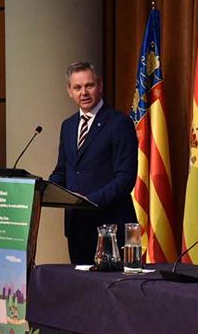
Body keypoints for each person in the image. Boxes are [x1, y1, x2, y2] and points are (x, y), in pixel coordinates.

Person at [49, 61, 138, 264]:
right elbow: (63, 170)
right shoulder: (68, 126)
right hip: (77, 226)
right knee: (80, 290)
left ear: (100, 85)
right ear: (69, 91)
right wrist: (46, 188)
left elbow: (125, 178)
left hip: (110, 227)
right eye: (77, 87)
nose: (84, 93)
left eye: (89, 85)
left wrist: (88, 201)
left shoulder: (119, 123)